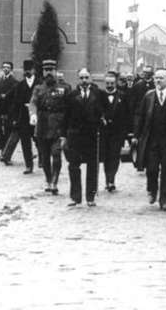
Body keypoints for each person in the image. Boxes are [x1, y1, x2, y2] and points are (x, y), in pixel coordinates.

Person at [132, 68, 166, 211]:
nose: (157, 80)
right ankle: (152, 190)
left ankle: (164, 200)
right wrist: (136, 135)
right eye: (156, 78)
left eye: (161, 78)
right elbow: (140, 116)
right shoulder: (149, 96)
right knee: (151, 169)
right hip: (152, 140)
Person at [63, 68, 104, 207]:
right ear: (78, 79)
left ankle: (90, 197)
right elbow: (66, 117)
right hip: (75, 136)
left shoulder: (98, 94)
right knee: (73, 166)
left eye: (86, 77)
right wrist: (64, 135)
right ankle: (76, 197)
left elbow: (104, 112)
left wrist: (102, 120)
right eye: (81, 78)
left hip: (92, 136)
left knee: (92, 167)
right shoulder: (71, 95)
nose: (84, 80)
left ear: (91, 78)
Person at [28, 59, 69, 194]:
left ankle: (54, 182)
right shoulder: (38, 88)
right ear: (43, 72)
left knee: (56, 154)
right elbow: (33, 103)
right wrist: (33, 115)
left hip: (58, 126)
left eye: (51, 69)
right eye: (46, 70)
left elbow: (70, 106)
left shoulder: (64, 88)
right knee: (45, 157)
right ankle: (48, 178)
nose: (49, 72)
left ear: (56, 71)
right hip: (42, 126)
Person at [1, 59, 39, 173]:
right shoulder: (20, 85)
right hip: (23, 117)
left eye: (30, 70)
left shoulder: (39, 84)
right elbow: (14, 102)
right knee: (25, 142)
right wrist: (13, 118)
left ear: (34, 70)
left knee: (39, 140)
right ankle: (29, 165)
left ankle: (42, 158)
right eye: (25, 70)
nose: (27, 72)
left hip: (37, 117)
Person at [99, 70, 131, 193]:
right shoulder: (100, 96)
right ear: (104, 83)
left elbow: (128, 114)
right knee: (106, 157)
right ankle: (108, 179)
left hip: (118, 133)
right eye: (107, 83)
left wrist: (128, 133)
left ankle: (112, 178)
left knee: (115, 156)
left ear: (116, 83)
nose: (110, 85)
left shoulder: (122, 96)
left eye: (112, 83)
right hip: (104, 132)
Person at [0, 61, 17, 157]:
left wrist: (6, 96)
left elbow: (15, 96)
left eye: (8, 67)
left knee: (7, 131)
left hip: (8, 110)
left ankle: (5, 153)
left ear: (11, 69)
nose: (5, 69)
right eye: (4, 67)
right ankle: (2, 148)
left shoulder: (14, 82)